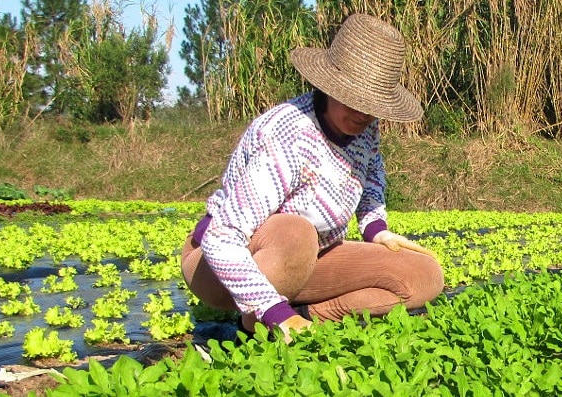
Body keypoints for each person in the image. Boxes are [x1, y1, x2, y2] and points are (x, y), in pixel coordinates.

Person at [180, 13, 445, 343]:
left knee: (423, 275)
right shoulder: (288, 136)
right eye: (354, 98)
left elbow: (372, 171)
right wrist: (274, 311)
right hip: (219, 261)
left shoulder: (364, 128)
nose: (363, 113)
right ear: (330, 86)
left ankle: (302, 318)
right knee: (295, 232)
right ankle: (260, 317)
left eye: (373, 105)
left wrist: (376, 230)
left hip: (309, 259)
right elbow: (221, 237)